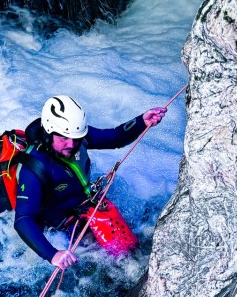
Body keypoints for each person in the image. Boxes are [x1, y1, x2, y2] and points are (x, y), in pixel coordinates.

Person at [14, 95, 166, 270]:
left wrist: (141, 121)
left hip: (86, 205)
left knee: (130, 253)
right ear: (49, 133)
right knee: (116, 267)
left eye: (75, 138)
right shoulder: (33, 169)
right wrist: (53, 254)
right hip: (61, 226)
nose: (71, 144)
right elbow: (23, 219)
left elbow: (115, 137)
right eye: (64, 138)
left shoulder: (76, 135)